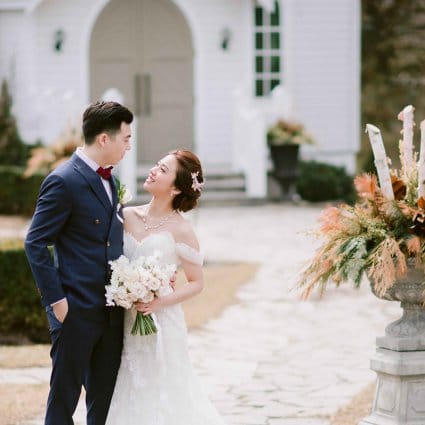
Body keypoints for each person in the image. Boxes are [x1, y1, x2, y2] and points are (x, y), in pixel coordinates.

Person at [25, 101, 133, 425]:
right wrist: (57, 302)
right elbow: (35, 242)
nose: (129, 144)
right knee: (63, 403)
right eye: (125, 138)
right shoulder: (63, 180)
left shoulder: (112, 181)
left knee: (103, 404)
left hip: (111, 313)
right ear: (104, 139)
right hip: (74, 311)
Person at [106, 150, 226, 425]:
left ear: (174, 187)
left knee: (165, 387)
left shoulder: (182, 230)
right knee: (130, 381)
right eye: (156, 165)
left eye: (162, 170)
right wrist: (126, 288)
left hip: (162, 322)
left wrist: (158, 301)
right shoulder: (126, 215)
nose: (153, 171)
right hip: (127, 316)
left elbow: (197, 283)